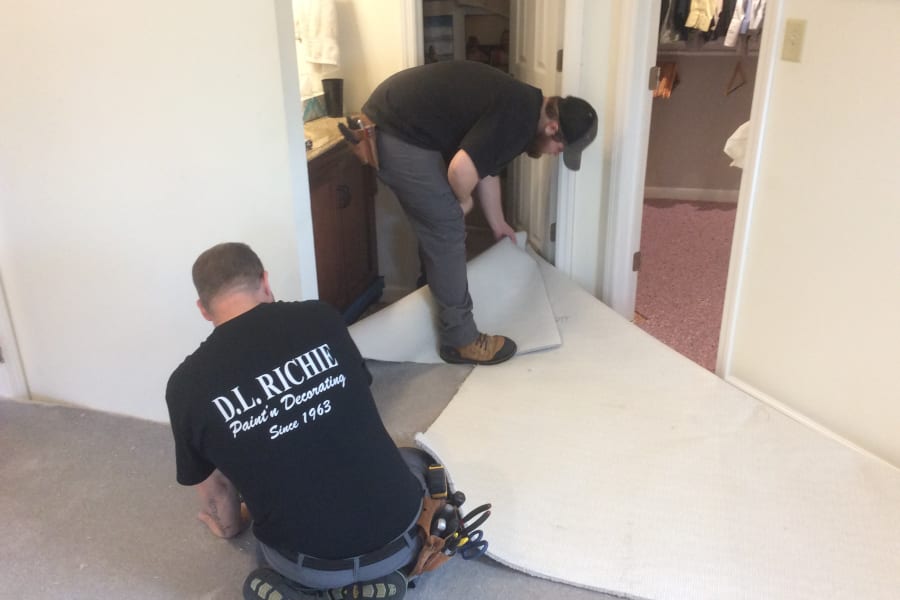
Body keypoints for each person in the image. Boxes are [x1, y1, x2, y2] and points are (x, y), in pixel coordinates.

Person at [165, 242, 433, 600]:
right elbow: (357, 397)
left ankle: (311, 592)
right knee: (414, 458)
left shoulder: (186, 386)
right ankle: (380, 579)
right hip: (401, 539)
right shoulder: (321, 318)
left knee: (272, 537)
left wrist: (231, 526)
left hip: (309, 564)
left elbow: (216, 490)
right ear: (265, 281)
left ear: (203, 309)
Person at [362, 60, 598, 366]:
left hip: (401, 122)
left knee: (439, 220)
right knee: (447, 225)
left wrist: (498, 223)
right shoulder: (518, 118)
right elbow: (461, 171)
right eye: (560, 150)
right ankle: (461, 340)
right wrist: (464, 201)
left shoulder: (526, 106)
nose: (554, 155)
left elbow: (485, 166)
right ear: (552, 129)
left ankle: (432, 293)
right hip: (395, 131)